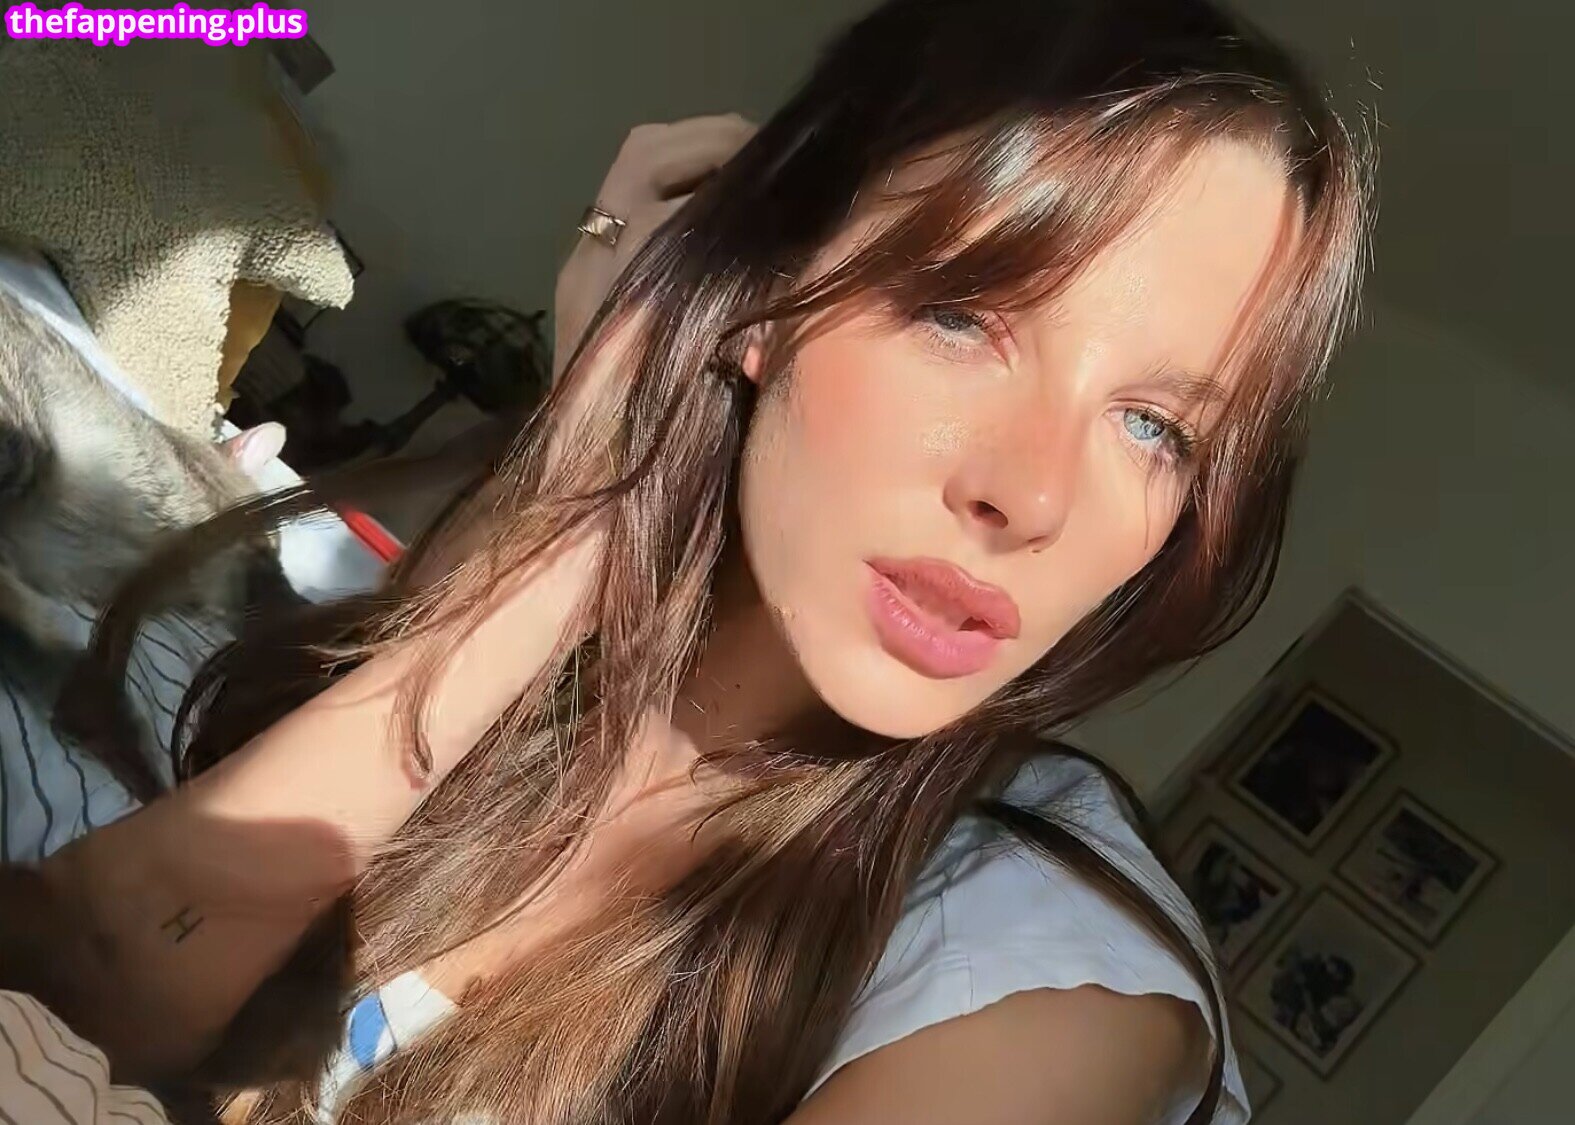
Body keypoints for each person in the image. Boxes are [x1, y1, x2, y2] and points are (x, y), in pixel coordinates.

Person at [5, 0, 1371, 1121]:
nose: (1031, 495)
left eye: (1154, 426)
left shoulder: (1043, 981)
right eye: (965, 313)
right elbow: (95, 976)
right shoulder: (572, 654)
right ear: (759, 297)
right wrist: (594, 476)